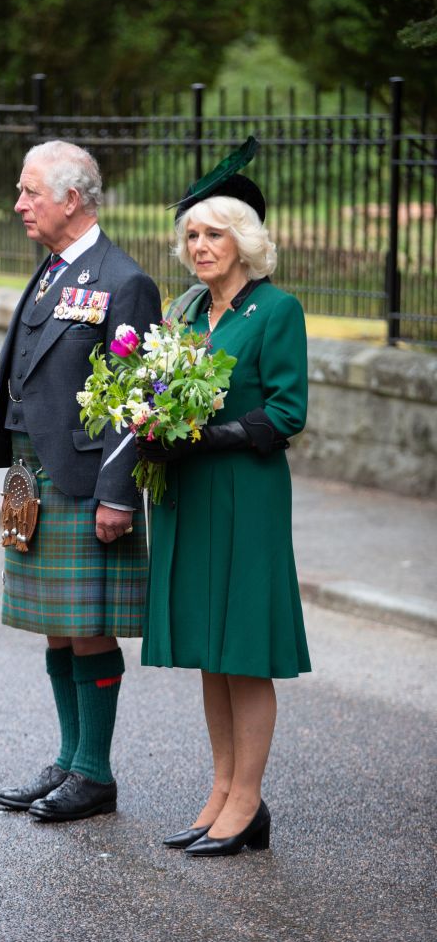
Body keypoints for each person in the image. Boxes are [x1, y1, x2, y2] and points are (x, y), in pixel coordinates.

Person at [137, 138, 311, 856]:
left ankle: (248, 801)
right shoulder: (182, 308)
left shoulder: (276, 311)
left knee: (245, 648)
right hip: (188, 496)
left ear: (244, 240)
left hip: (245, 492)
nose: (199, 245)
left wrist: (212, 436)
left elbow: (286, 410)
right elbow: (155, 388)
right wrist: (146, 420)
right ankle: (220, 789)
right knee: (211, 648)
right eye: (191, 235)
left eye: (213, 233)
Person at [0, 140, 161, 822]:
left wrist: (118, 493)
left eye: (30, 192)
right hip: (32, 471)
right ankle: (66, 759)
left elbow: (136, 399)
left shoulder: (126, 280)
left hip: (86, 479)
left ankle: (95, 773)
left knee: (87, 626)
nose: (19, 204)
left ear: (72, 200)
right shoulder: (54, 270)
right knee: (56, 625)